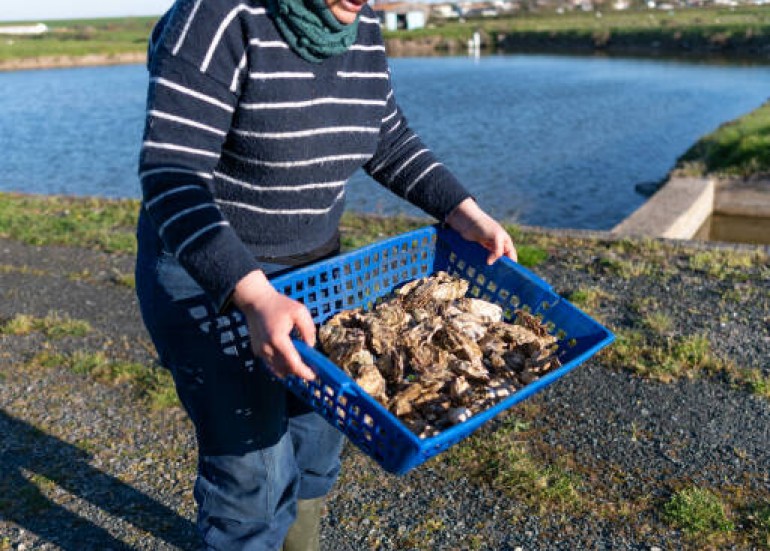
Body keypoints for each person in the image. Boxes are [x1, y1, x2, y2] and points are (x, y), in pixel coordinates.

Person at [135, 0, 517, 548]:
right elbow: (170, 175)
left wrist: (463, 211)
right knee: (253, 473)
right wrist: (251, 292)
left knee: (316, 440)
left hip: (314, 273)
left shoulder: (359, 27)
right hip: (213, 280)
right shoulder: (220, 16)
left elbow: (386, 136)